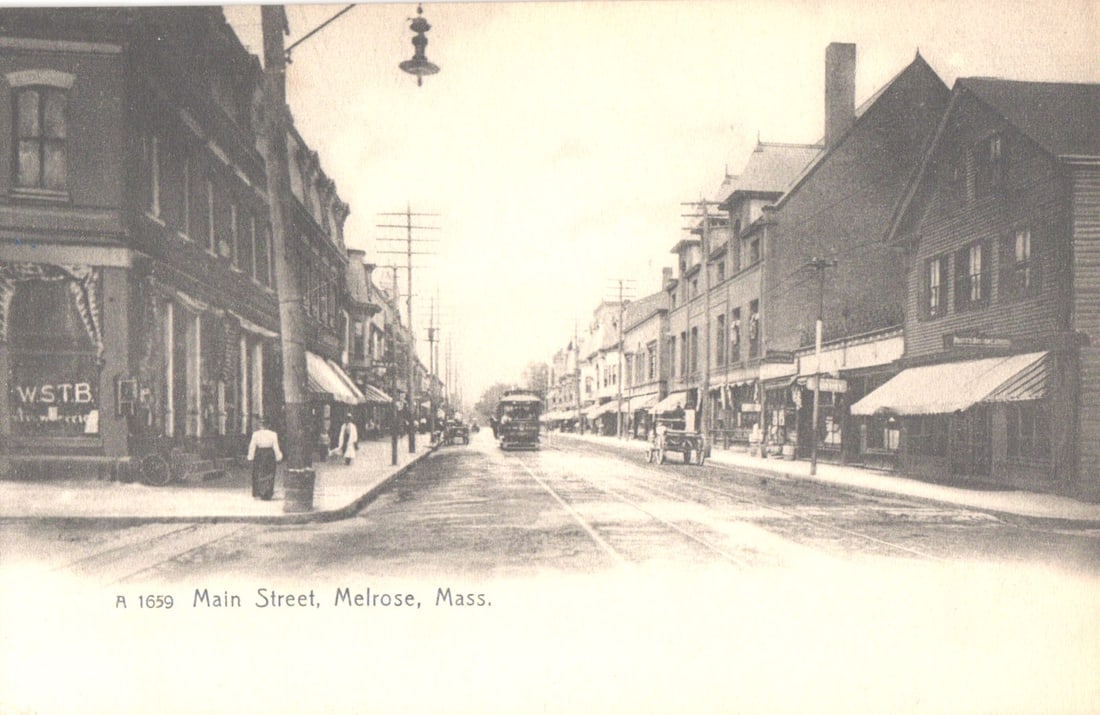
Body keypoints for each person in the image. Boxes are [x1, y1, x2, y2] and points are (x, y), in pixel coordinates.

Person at [247, 418, 283, 500]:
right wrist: (278, 457)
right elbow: (275, 446)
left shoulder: (256, 434)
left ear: (260, 425)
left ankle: (259, 491)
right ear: (268, 425)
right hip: (269, 454)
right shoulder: (273, 434)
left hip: (259, 454)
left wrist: (250, 457)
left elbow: (252, 446)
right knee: (269, 472)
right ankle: (267, 492)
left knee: (258, 472)